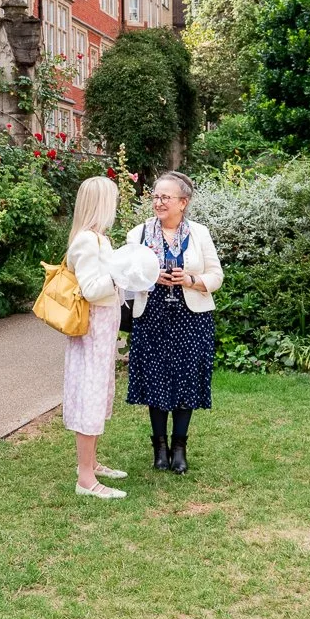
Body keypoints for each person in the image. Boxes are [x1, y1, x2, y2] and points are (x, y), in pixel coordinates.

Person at [125, 171, 224, 475]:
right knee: (155, 378)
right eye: (155, 196)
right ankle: (159, 447)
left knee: (186, 378)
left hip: (191, 318)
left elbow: (216, 276)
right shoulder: (138, 234)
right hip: (152, 316)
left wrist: (191, 280)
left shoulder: (199, 233)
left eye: (165, 197)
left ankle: (179, 447)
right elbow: (125, 278)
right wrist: (150, 276)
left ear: (183, 202)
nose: (158, 202)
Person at [64, 176, 132, 499]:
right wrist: (122, 274)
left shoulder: (99, 239)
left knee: (99, 392)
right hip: (93, 329)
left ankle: (90, 463)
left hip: (104, 328)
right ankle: (86, 479)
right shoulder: (86, 241)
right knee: (89, 396)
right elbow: (91, 289)